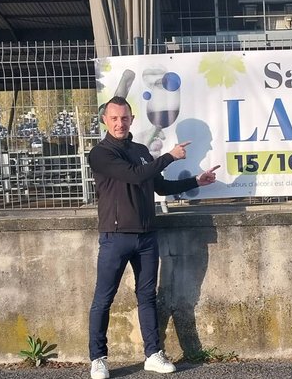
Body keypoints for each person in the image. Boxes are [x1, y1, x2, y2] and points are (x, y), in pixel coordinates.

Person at [86, 96, 219, 379]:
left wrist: (195, 181)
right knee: (103, 299)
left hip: (146, 236)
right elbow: (134, 176)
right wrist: (169, 156)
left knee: (147, 297)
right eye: (114, 119)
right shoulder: (100, 154)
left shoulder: (141, 150)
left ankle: (153, 354)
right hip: (115, 236)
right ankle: (98, 358)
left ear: (132, 119)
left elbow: (158, 185)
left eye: (124, 118)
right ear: (105, 121)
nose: (120, 123)